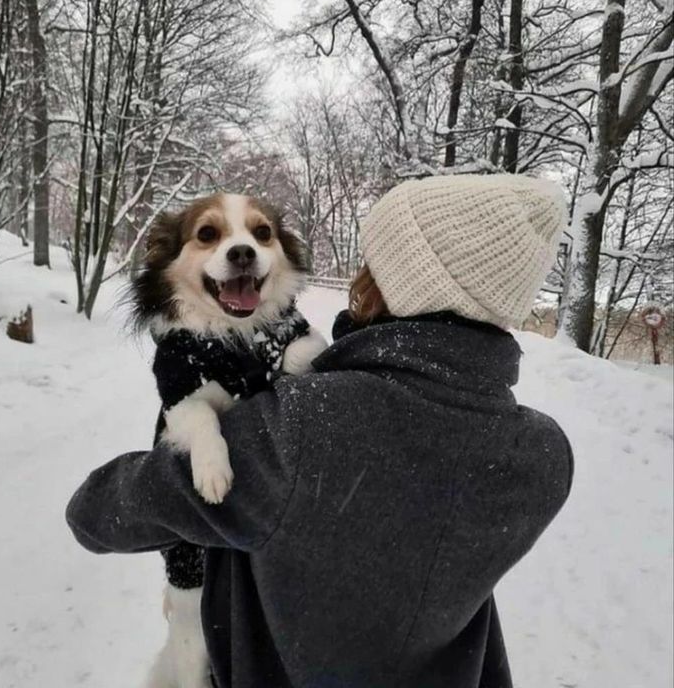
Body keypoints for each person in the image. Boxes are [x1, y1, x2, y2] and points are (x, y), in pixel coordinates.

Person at [66, 174, 574, 688]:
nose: (359, 273)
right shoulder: (546, 456)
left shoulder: (308, 425)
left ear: (404, 281)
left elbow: (95, 513)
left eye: (374, 261)